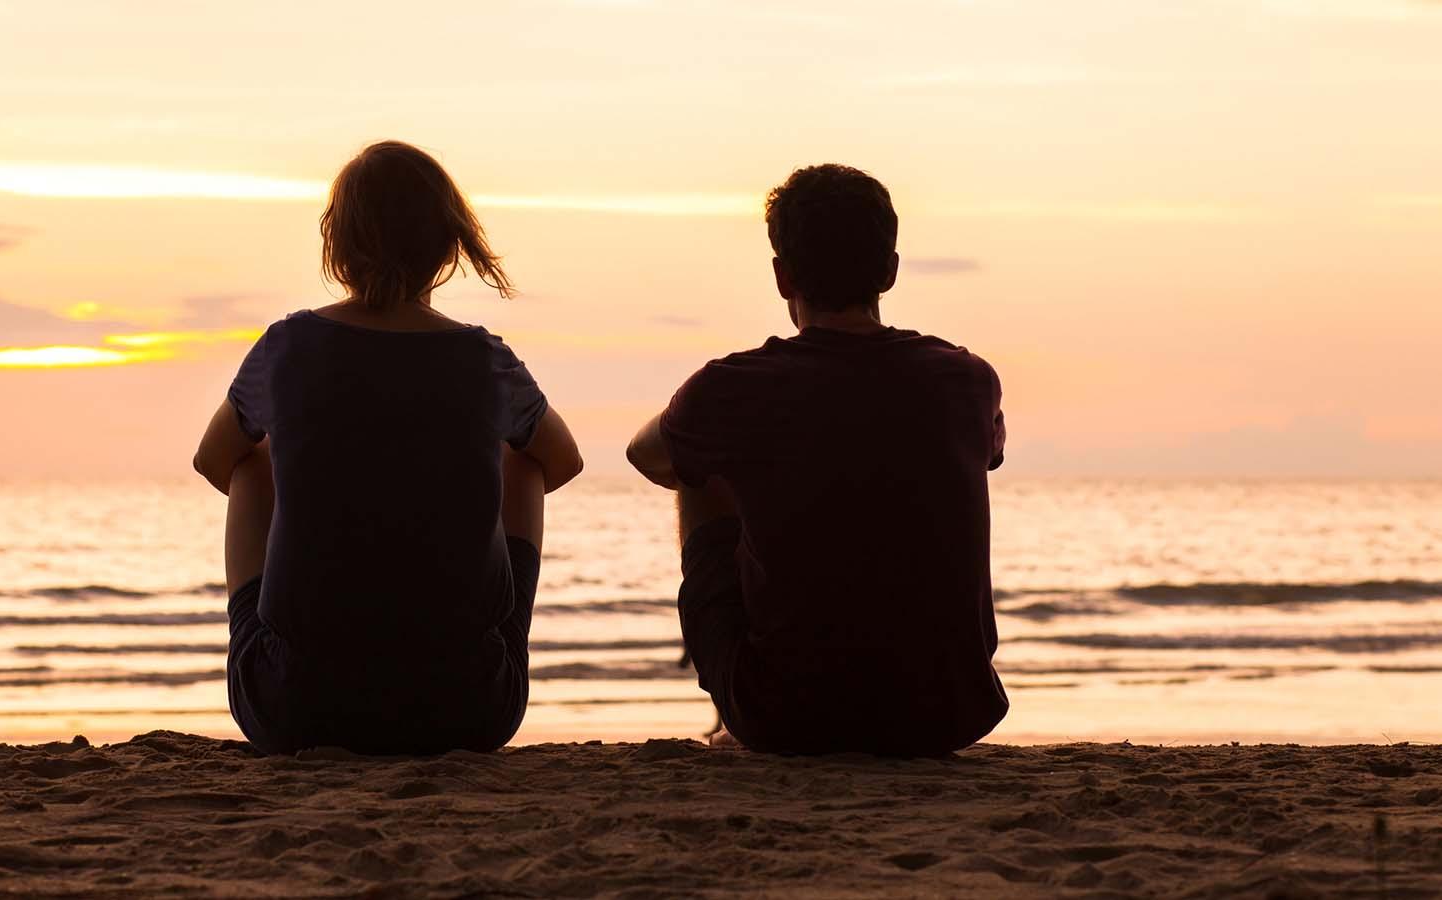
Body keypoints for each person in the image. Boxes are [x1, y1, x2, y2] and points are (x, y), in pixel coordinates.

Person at [194, 141, 582, 755]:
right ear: (448, 247)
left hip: (295, 708)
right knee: (523, 459)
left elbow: (214, 460)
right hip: (467, 709)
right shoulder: (484, 360)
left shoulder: (287, 347)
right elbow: (562, 460)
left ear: (337, 245)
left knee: (252, 461)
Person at [626, 163, 1007, 756]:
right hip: (951, 712)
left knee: (697, 464)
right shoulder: (967, 378)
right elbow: (986, 456)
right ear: (890, 270)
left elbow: (646, 456)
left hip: (787, 718)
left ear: (782, 277)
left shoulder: (734, 387)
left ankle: (730, 715)